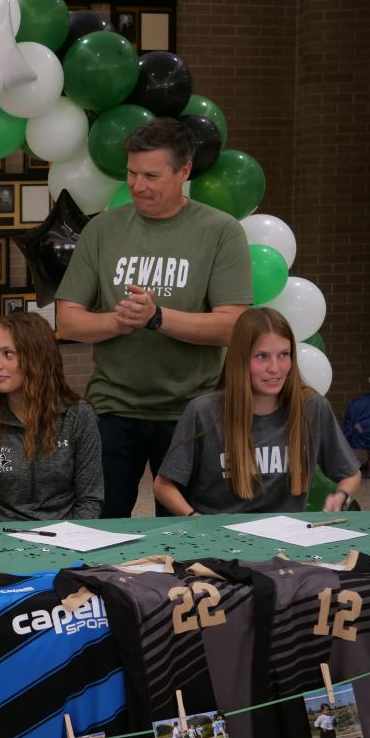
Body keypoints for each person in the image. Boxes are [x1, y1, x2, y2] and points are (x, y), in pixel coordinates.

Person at [55, 117, 253, 518]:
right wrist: (121, 321)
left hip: (193, 413)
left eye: (151, 175)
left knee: (187, 534)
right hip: (112, 410)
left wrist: (158, 317)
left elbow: (234, 327)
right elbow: (68, 321)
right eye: (131, 173)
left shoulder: (221, 232)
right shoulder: (102, 231)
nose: (137, 185)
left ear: (184, 171)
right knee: (101, 529)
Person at [153, 307, 361, 517]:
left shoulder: (312, 406)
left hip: (287, 537)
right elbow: (163, 486)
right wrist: (195, 519)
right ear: (240, 359)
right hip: (221, 537)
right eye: (262, 356)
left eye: (284, 355)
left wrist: (341, 496)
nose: (275, 368)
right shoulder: (202, 412)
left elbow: (351, 474)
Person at [0, 313, 103, 522]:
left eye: (8, 354)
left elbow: (90, 500)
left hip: (67, 537)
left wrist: (72, 539)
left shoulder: (78, 416)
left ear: (37, 358)